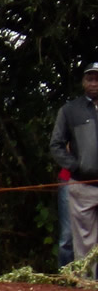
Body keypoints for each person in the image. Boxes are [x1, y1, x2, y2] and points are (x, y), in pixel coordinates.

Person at [49, 60, 98, 265]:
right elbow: (56, 145)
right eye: (90, 78)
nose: (94, 83)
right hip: (82, 186)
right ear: (83, 82)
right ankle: (87, 289)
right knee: (83, 244)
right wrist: (76, 167)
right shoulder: (70, 110)